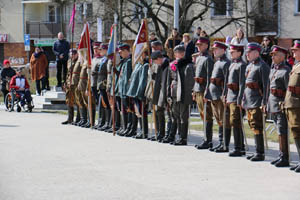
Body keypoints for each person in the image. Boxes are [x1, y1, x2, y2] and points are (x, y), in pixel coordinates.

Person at [243, 42, 270, 162]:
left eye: (249, 52)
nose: (247, 54)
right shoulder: (249, 66)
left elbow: (266, 86)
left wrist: (264, 102)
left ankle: (260, 153)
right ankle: (257, 151)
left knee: (257, 125)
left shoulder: (262, 66)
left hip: (257, 100)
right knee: (252, 125)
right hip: (249, 100)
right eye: (247, 52)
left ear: (256, 52)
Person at [267, 45, 290, 167]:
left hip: (281, 105)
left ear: (282, 57)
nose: (273, 57)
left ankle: (285, 157)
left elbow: (288, 91)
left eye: (275, 55)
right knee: (278, 129)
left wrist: (286, 105)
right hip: (273, 104)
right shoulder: (273, 70)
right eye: (272, 55)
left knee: (282, 131)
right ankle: (281, 154)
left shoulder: (286, 71)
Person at [205, 41, 231, 153]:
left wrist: (224, 95)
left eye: (216, 49)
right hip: (214, 94)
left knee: (223, 120)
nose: (214, 51)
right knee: (219, 120)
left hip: (220, 95)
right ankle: (220, 142)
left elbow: (226, 81)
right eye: (213, 49)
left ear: (223, 50)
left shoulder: (226, 63)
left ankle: (224, 143)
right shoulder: (217, 62)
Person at [167, 45, 195, 145]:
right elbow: (169, 80)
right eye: (177, 53)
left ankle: (183, 138)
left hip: (184, 93)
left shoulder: (188, 65)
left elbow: (190, 82)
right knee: (176, 116)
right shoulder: (173, 65)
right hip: (174, 93)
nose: (179, 54)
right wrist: (169, 94)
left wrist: (189, 94)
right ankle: (178, 137)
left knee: (183, 116)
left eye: (181, 52)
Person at [225, 44, 247, 156]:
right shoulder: (232, 64)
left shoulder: (242, 65)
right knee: (233, 121)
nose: (231, 53)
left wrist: (240, 99)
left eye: (233, 52)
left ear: (239, 52)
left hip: (236, 96)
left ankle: (238, 147)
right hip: (230, 95)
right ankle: (240, 146)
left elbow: (242, 84)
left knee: (236, 121)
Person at [192, 37, 214, 150]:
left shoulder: (208, 59)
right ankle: (205, 138)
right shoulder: (199, 58)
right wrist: (194, 90)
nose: (198, 47)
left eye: (200, 45)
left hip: (204, 89)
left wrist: (207, 92)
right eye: (198, 45)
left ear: (206, 45)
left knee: (207, 115)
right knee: (202, 115)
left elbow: (209, 76)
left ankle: (208, 140)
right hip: (198, 89)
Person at [284, 40, 300, 173]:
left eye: (296, 50)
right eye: (293, 51)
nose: (293, 53)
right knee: (295, 132)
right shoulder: (295, 65)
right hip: (292, 104)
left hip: (298, 105)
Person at [127, 51, 149, 138]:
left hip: (139, 93)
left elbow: (143, 81)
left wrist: (140, 93)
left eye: (140, 54)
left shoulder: (145, 65)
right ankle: (141, 131)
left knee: (142, 112)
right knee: (138, 112)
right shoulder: (137, 65)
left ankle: (144, 132)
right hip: (134, 92)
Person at [115, 44, 133, 136]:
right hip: (121, 90)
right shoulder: (124, 62)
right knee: (123, 110)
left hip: (126, 90)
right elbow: (122, 77)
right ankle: (125, 127)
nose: (120, 54)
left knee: (128, 110)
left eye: (121, 52)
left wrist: (127, 91)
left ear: (126, 51)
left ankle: (129, 128)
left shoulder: (129, 62)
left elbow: (128, 78)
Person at [151, 51, 170, 142]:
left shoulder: (167, 64)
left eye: (155, 61)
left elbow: (166, 79)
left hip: (165, 91)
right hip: (158, 90)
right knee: (158, 111)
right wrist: (153, 75)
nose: (155, 63)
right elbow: (159, 77)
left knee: (165, 112)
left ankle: (165, 133)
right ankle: (159, 132)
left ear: (159, 58)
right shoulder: (160, 66)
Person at [61, 49, 80, 125]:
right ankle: (70, 118)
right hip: (69, 83)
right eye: (70, 54)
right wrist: (65, 82)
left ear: (76, 54)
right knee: (69, 100)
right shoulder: (69, 61)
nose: (72, 55)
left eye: (73, 54)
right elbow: (67, 73)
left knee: (77, 101)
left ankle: (79, 118)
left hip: (76, 83)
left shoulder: (79, 62)